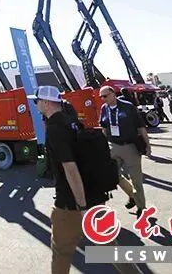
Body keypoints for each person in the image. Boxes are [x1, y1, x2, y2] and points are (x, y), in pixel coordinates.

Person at [31, 85, 88, 274]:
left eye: (37, 101)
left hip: (69, 203)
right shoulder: (72, 122)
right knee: (106, 243)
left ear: (46, 102)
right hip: (90, 191)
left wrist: (82, 206)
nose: (36, 104)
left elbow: (70, 168)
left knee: (60, 252)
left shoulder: (55, 129)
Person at [99, 86, 151, 218]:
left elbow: (141, 127)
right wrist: (104, 146)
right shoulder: (104, 108)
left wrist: (148, 145)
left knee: (136, 179)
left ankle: (141, 207)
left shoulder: (128, 107)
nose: (103, 99)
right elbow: (104, 128)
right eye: (101, 97)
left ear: (113, 94)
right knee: (113, 175)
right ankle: (132, 195)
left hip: (130, 146)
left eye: (105, 96)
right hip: (113, 146)